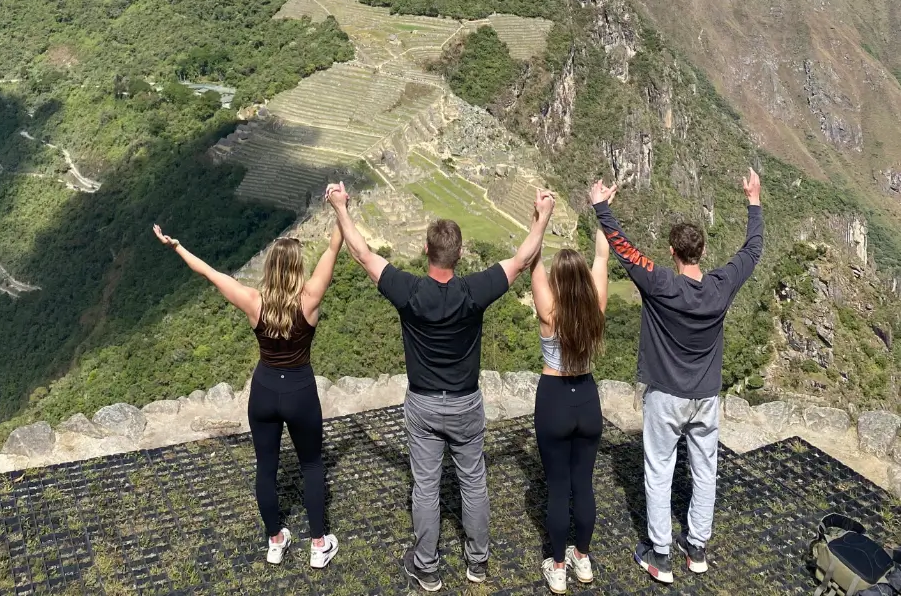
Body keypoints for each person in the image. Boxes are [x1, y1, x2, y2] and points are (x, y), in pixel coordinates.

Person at [325, 181, 556, 592]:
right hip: (466, 404)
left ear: (427, 253)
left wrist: (341, 208)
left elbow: (362, 255)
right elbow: (521, 261)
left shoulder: (410, 292)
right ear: (460, 254)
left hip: (424, 404)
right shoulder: (472, 292)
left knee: (426, 486)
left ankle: (427, 566)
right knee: (473, 480)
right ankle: (478, 562)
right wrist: (542, 218)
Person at [590, 170, 764, 584]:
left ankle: (660, 553)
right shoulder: (721, 286)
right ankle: (697, 548)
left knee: (659, 470)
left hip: (665, 395)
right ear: (702, 251)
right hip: (705, 396)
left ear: (672, 252)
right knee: (705, 469)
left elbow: (625, 250)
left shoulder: (660, 282)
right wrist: (753, 200)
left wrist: (601, 206)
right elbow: (753, 250)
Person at [152, 204, 346, 570]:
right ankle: (319, 544)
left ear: (271, 268)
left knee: (266, 468)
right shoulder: (310, 299)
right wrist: (341, 208)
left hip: (264, 391)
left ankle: (275, 540)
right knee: (312, 465)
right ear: (297, 269)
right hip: (300, 391)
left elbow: (211, 273)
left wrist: (176, 247)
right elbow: (335, 247)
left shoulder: (253, 302)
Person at [530, 190, 612, 594]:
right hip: (588, 400)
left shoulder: (549, 313)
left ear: (558, 282)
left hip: (554, 397)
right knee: (584, 483)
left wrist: (540, 216)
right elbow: (602, 256)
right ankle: (583, 558)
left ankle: (558, 566)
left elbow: (532, 261)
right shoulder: (595, 308)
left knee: (557, 486)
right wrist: (603, 210)